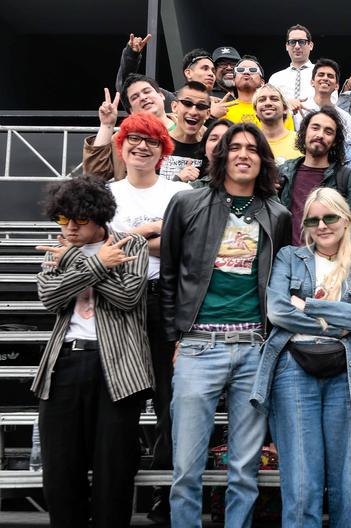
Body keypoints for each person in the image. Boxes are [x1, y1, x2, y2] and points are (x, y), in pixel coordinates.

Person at [160, 122, 291, 527]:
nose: (244, 154)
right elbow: (169, 275)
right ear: (222, 155)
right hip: (198, 345)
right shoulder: (187, 203)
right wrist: (174, 338)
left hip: (253, 347)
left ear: (263, 160)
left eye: (253, 148)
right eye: (235, 147)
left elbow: (281, 281)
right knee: (186, 468)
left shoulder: (278, 215)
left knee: (245, 469)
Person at [250, 187, 351, 528]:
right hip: (293, 369)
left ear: (346, 219)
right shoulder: (289, 259)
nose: (321, 225)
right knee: (302, 484)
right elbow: (278, 310)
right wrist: (339, 321)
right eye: (313, 219)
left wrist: (308, 305)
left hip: (346, 373)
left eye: (330, 217)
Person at [32, 175, 152, 527]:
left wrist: (78, 266)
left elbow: (128, 297)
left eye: (79, 220)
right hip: (64, 363)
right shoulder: (58, 248)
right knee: (60, 472)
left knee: (113, 472)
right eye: (62, 219)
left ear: (99, 217)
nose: (69, 228)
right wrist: (98, 264)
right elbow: (50, 298)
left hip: (118, 368)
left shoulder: (132, 247)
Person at [107, 113, 191, 524]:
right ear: (121, 145)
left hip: (164, 300)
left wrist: (130, 238)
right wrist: (154, 234)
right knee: (120, 402)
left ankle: (164, 494)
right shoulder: (107, 194)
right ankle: (114, 497)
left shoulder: (178, 192)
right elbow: (101, 249)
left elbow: (181, 248)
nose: (142, 146)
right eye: (134, 139)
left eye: (152, 141)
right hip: (119, 303)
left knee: (169, 402)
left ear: (164, 150)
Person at [280, 107, 351, 246]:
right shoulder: (284, 173)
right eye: (315, 128)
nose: (320, 135)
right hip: (287, 260)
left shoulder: (346, 179)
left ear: (335, 141)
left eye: (328, 132)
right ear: (305, 132)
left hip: (329, 261)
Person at [83, 76, 176, 181]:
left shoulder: (189, 126)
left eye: (147, 91)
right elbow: (94, 177)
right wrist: (106, 125)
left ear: (161, 95)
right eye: (135, 97)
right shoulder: (122, 140)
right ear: (131, 110)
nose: (143, 98)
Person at [114, 33, 217, 105]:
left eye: (213, 71)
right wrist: (131, 55)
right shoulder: (170, 100)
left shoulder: (222, 103)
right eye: (205, 68)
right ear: (188, 73)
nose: (211, 74)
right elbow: (127, 88)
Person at [224, 57, 296, 131]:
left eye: (252, 70)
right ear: (233, 80)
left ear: (262, 82)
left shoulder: (279, 110)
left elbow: (289, 140)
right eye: (240, 70)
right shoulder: (224, 110)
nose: (246, 73)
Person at [160, 81, 211, 183]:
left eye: (200, 106)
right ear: (174, 107)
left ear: (208, 113)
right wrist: (178, 180)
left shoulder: (210, 150)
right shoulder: (156, 144)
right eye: (187, 104)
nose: (193, 112)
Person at [268, 24, 316, 124]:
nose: (297, 46)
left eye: (302, 42)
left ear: (310, 45)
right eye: (293, 42)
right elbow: (268, 105)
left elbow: (331, 103)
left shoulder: (322, 73)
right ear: (287, 46)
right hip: (282, 130)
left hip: (314, 128)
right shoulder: (275, 78)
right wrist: (286, 102)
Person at [300, 58, 351, 140]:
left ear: (337, 86)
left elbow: (346, 147)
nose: (325, 78)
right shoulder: (299, 109)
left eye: (330, 76)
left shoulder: (345, 117)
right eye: (321, 75)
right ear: (312, 82)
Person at [253, 84, 303, 164]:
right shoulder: (250, 142)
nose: (268, 103)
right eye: (262, 100)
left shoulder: (300, 141)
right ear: (255, 110)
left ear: (285, 108)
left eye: (274, 99)